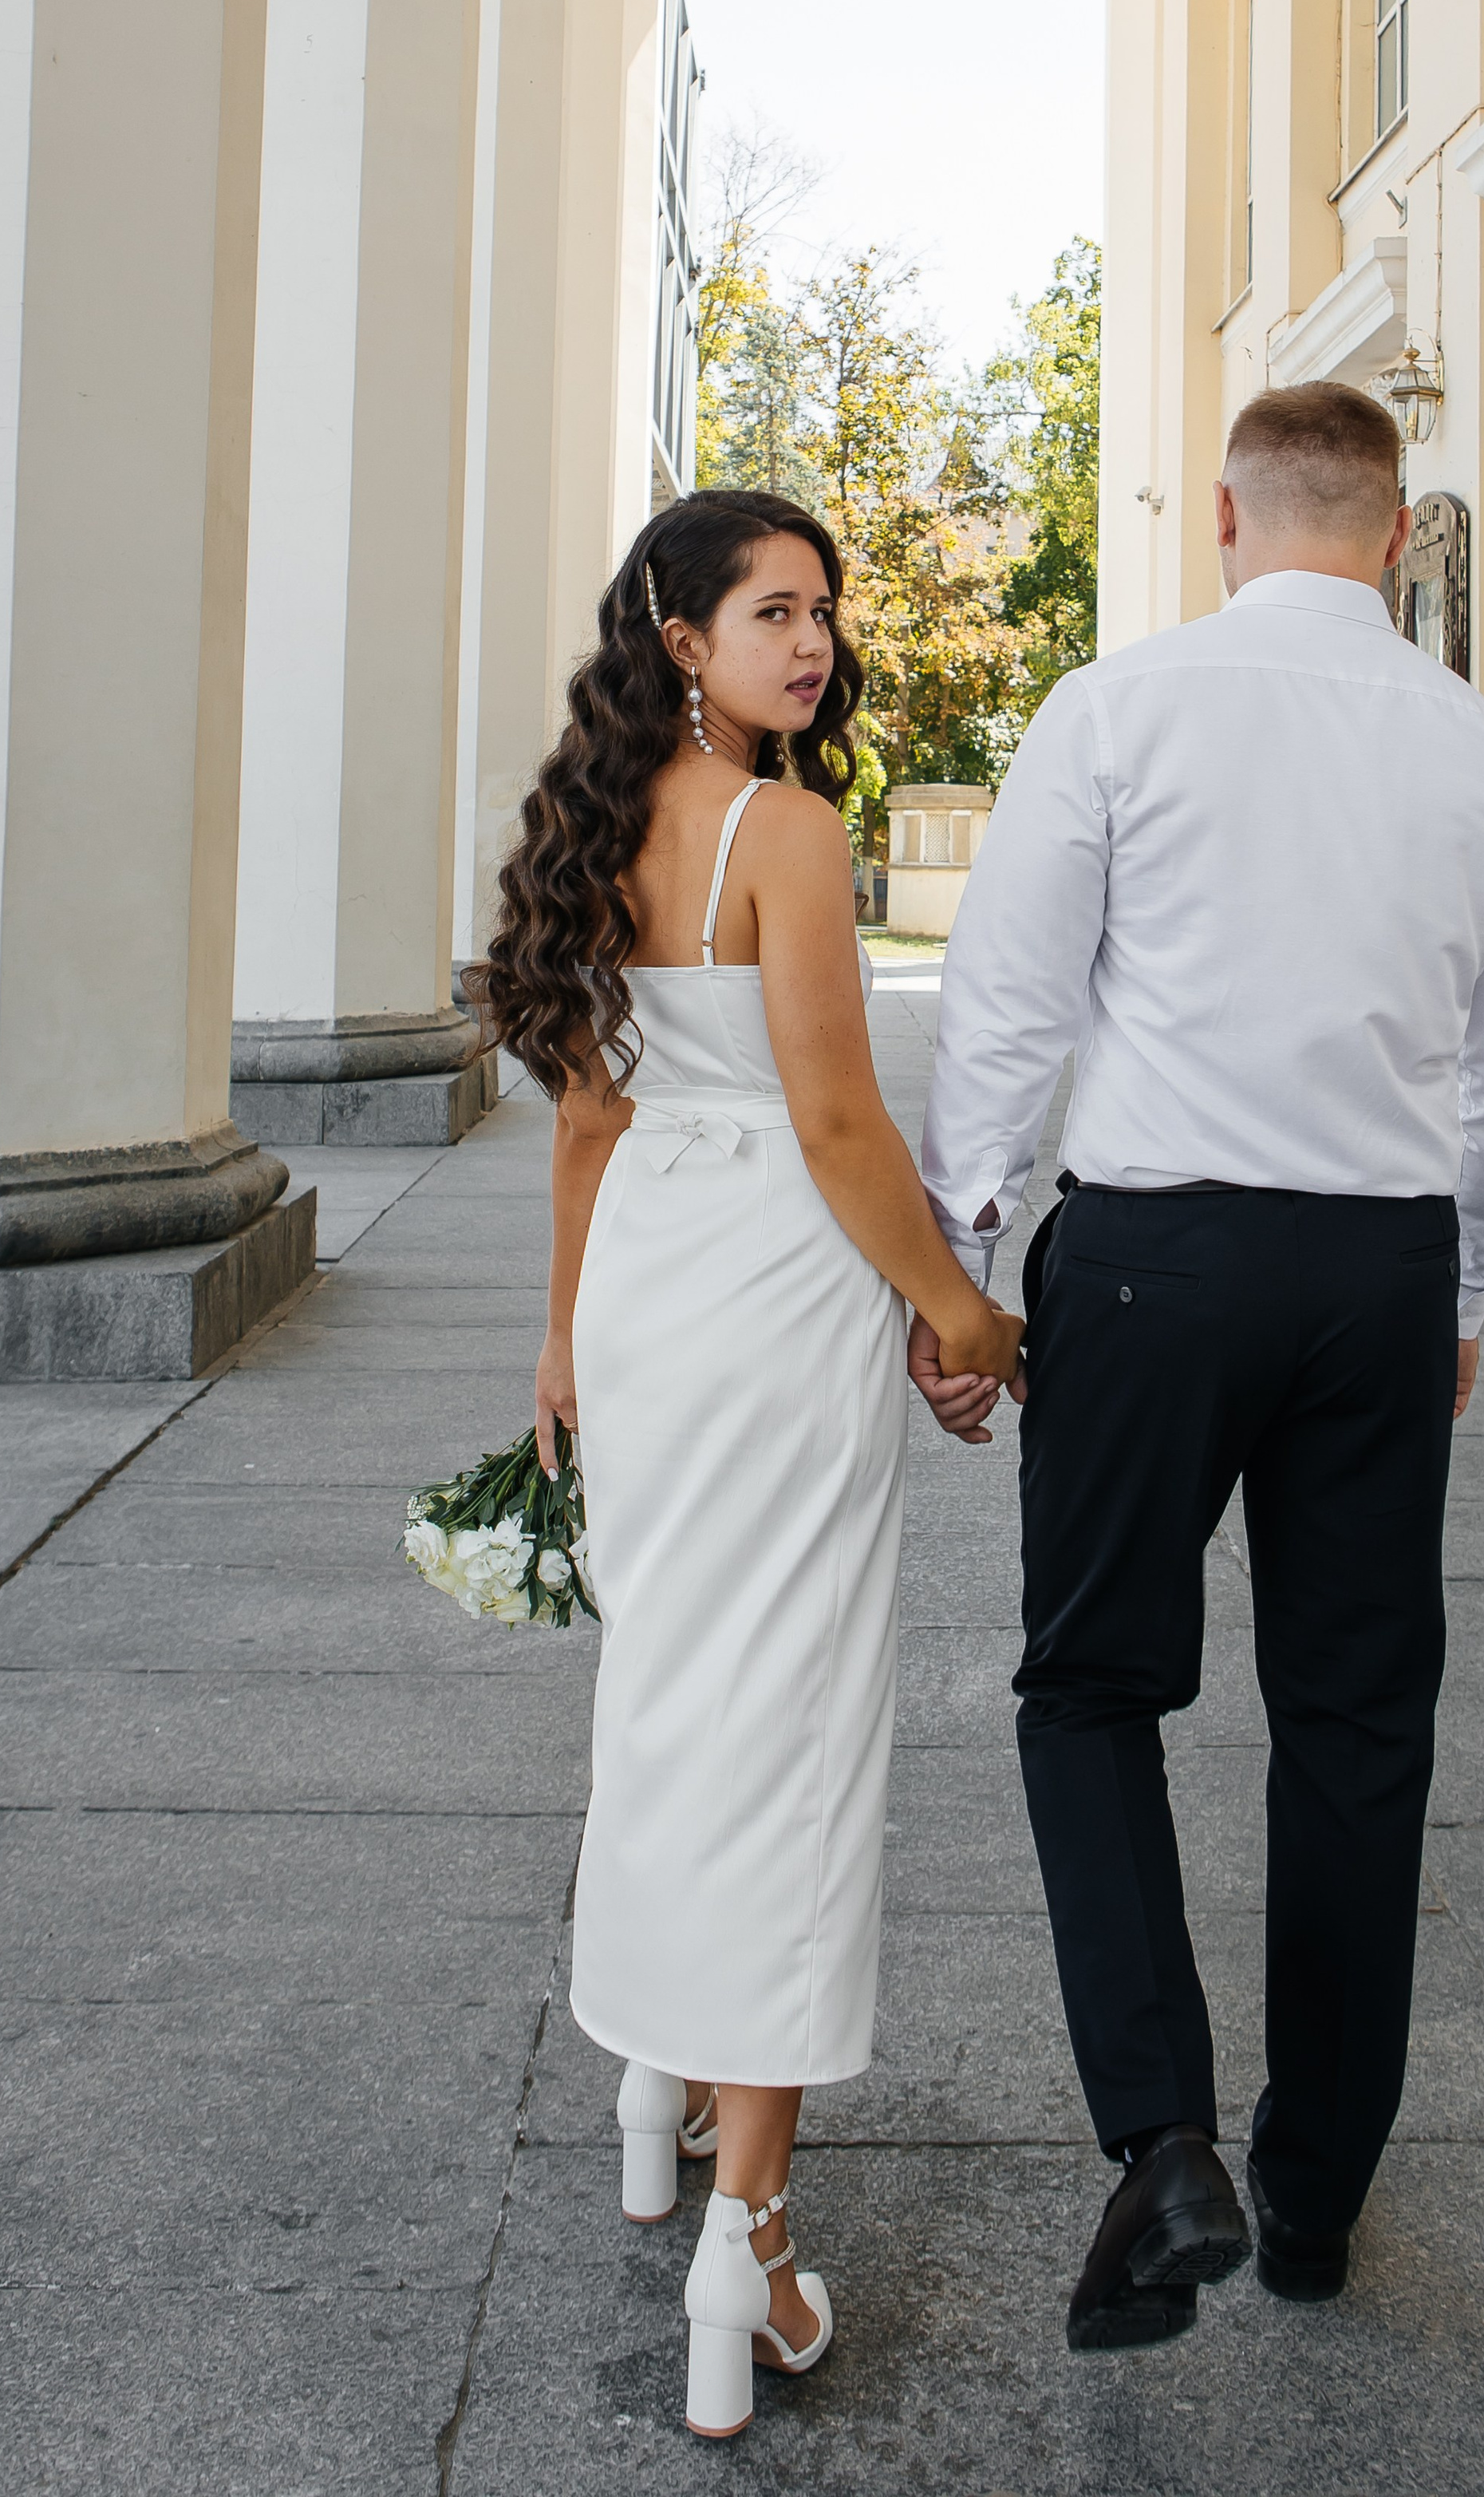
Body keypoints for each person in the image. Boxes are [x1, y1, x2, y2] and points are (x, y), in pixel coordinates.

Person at [913, 381, 1484, 2352]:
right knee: (1357, 1725)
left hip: (1148, 1263)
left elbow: (1011, 1013)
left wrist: (960, 1272)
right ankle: (1311, 2199)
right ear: (1392, 532)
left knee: (1090, 1688)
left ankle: (1162, 2141)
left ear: (1225, 517)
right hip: (1370, 1267)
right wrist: (1455, 1296)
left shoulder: (1119, 712)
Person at [471, 490, 1023, 2440]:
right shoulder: (784, 834)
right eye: (771, 612)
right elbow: (838, 1126)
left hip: (645, 1293)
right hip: (773, 1294)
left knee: (669, 1690)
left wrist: (559, 1337)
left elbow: (590, 1126)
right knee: (786, 1733)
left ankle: (652, 2096)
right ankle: (747, 2239)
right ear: (679, 637)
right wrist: (962, 1312)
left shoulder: (588, 836)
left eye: (823, 613)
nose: (812, 643)